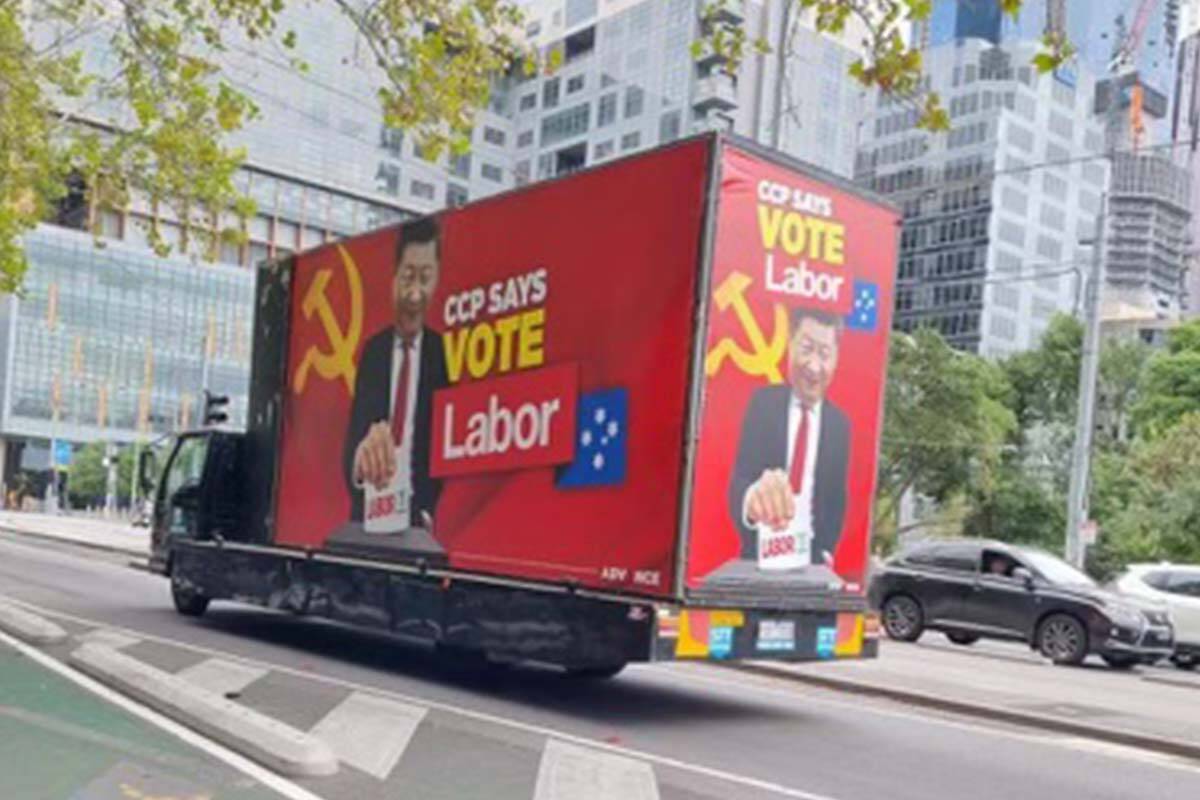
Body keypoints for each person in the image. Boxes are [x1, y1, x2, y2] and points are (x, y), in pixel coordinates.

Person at [342, 216, 449, 527]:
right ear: (393, 277)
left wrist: (427, 513)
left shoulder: (442, 353)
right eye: (407, 277)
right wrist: (361, 463)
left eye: (425, 278)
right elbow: (351, 445)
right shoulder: (373, 352)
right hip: (368, 521)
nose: (415, 294)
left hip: (421, 527)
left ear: (437, 279)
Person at [728, 307, 850, 565]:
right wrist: (753, 501)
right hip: (760, 557)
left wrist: (826, 552)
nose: (814, 366)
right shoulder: (763, 403)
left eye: (825, 354)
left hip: (813, 562)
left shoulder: (840, 425)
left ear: (836, 359)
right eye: (806, 349)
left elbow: (836, 498)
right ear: (789, 346)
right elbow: (741, 477)